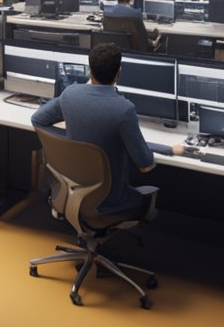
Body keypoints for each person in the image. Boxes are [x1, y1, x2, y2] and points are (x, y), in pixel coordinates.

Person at [31, 43, 182, 214]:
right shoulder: (124, 109)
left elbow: (38, 120)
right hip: (111, 199)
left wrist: (68, 138)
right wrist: (170, 149)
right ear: (119, 72)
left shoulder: (70, 94)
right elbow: (145, 164)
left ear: (90, 70)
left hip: (75, 187)